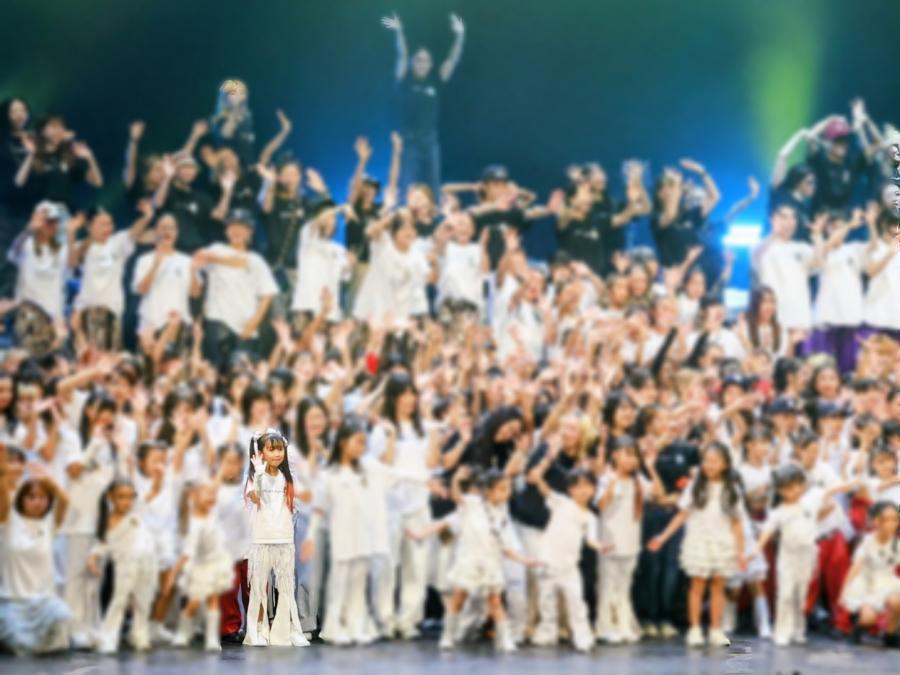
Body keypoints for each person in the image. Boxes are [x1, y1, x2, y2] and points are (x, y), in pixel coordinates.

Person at [648, 442, 747, 647]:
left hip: (722, 541)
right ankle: (694, 628)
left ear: (725, 464)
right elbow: (682, 515)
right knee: (697, 585)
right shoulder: (695, 486)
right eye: (706, 461)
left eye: (715, 461)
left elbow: (737, 522)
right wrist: (662, 537)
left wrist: (740, 551)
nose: (709, 465)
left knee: (718, 585)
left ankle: (715, 629)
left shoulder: (731, 489)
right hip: (699, 539)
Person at [382, 12, 465, 193]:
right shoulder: (404, 81)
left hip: (430, 141)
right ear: (412, 63)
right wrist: (399, 32)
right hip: (409, 141)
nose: (422, 63)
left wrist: (460, 36)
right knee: (407, 185)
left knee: (433, 186)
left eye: (426, 60)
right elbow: (401, 55)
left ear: (431, 63)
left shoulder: (436, 82)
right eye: (418, 60)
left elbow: (452, 60)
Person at [595, 436, 663, 643]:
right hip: (610, 540)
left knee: (624, 586)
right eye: (628, 455)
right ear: (615, 455)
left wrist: (651, 468)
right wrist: (612, 482)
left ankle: (623, 624)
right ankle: (606, 627)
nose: (633, 460)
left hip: (631, 540)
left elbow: (659, 493)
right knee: (608, 584)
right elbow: (601, 504)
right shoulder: (606, 478)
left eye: (636, 456)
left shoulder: (638, 480)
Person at [244, 430, 309, 647]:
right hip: (262, 537)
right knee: (259, 586)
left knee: (286, 586)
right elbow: (255, 497)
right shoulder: (255, 476)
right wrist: (259, 473)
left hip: (284, 537)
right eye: (271, 449)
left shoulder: (286, 478)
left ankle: (287, 630)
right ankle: (258, 630)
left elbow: (296, 502)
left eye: (280, 449)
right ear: (260, 452)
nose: (277, 454)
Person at [0, 456, 71, 656]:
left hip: (44, 601)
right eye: (31, 497)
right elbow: (2, 496)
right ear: (21, 499)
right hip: (13, 601)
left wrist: (48, 480)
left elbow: (65, 500)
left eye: (42, 497)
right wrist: (4, 470)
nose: (37, 502)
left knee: (62, 619)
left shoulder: (49, 523)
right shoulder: (8, 521)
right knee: (22, 645)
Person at [195, 209, 279, 365]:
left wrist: (254, 322)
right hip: (217, 321)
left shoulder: (257, 260)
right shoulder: (217, 248)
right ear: (226, 230)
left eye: (242, 227)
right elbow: (199, 256)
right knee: (214, 368)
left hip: (245, 326)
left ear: (250, 232)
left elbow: (267, 294)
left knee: (241, 371)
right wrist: (230, 260)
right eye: (232, 226)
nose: (237, 231)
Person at [70, 202, 154, 351]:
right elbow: (72, 264)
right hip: (85, 311)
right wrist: (70, 233)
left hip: (111, 311)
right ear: (90, 227)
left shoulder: (117, 242)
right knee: (86, 357)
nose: (108, 228)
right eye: (102, 224)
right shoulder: (81, 246)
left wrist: (147, 217)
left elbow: (134, 232)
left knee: (108, 356)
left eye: (110, 224)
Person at [88, 479, 158, 654]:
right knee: (119, 601)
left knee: (143, 602)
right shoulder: (109, 520)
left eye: (130, 497)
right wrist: (93, 558)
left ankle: (139, 635)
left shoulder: (136, 512)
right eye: (121, 497)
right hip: (125, 567)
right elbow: (103, 544)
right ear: (111, 497)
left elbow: (153, 492)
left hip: (146, 564)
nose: (126, 501)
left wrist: (158, 477)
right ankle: (108, 636)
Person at [168, 482, 235, 652]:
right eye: (206, 495)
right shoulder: (195, 524)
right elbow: (187, 553)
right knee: (194, 602)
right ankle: (183, 632)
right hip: (201, 567)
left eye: (212, 495)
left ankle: (212, 638)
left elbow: (216, 483)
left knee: (213, 599)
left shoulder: (212, 514)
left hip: (216, 563)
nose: (211, 498)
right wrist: (174, 573)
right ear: (195, 499)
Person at [752, 205, 825, 332]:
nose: (789, 222)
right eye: (784, 217)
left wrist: (818, 236)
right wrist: (774, 233)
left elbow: (818, 264)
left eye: (792, 218)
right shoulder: (763, 246)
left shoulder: (802, 247)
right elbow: (757, 254)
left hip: (799, 317)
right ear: (773, 219)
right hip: (773, 317)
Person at [840, 501, 900, 646]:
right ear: (876, 521)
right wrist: (844, 591)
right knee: (868, 618)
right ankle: (857, 630)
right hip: (867, 584)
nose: (891, 524)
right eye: (886, 519)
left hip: (887, 582)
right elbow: (855, 567)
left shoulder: (896, 543)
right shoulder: (867, 542)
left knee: (897, 602)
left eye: (895, 519)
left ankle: (890, 634)